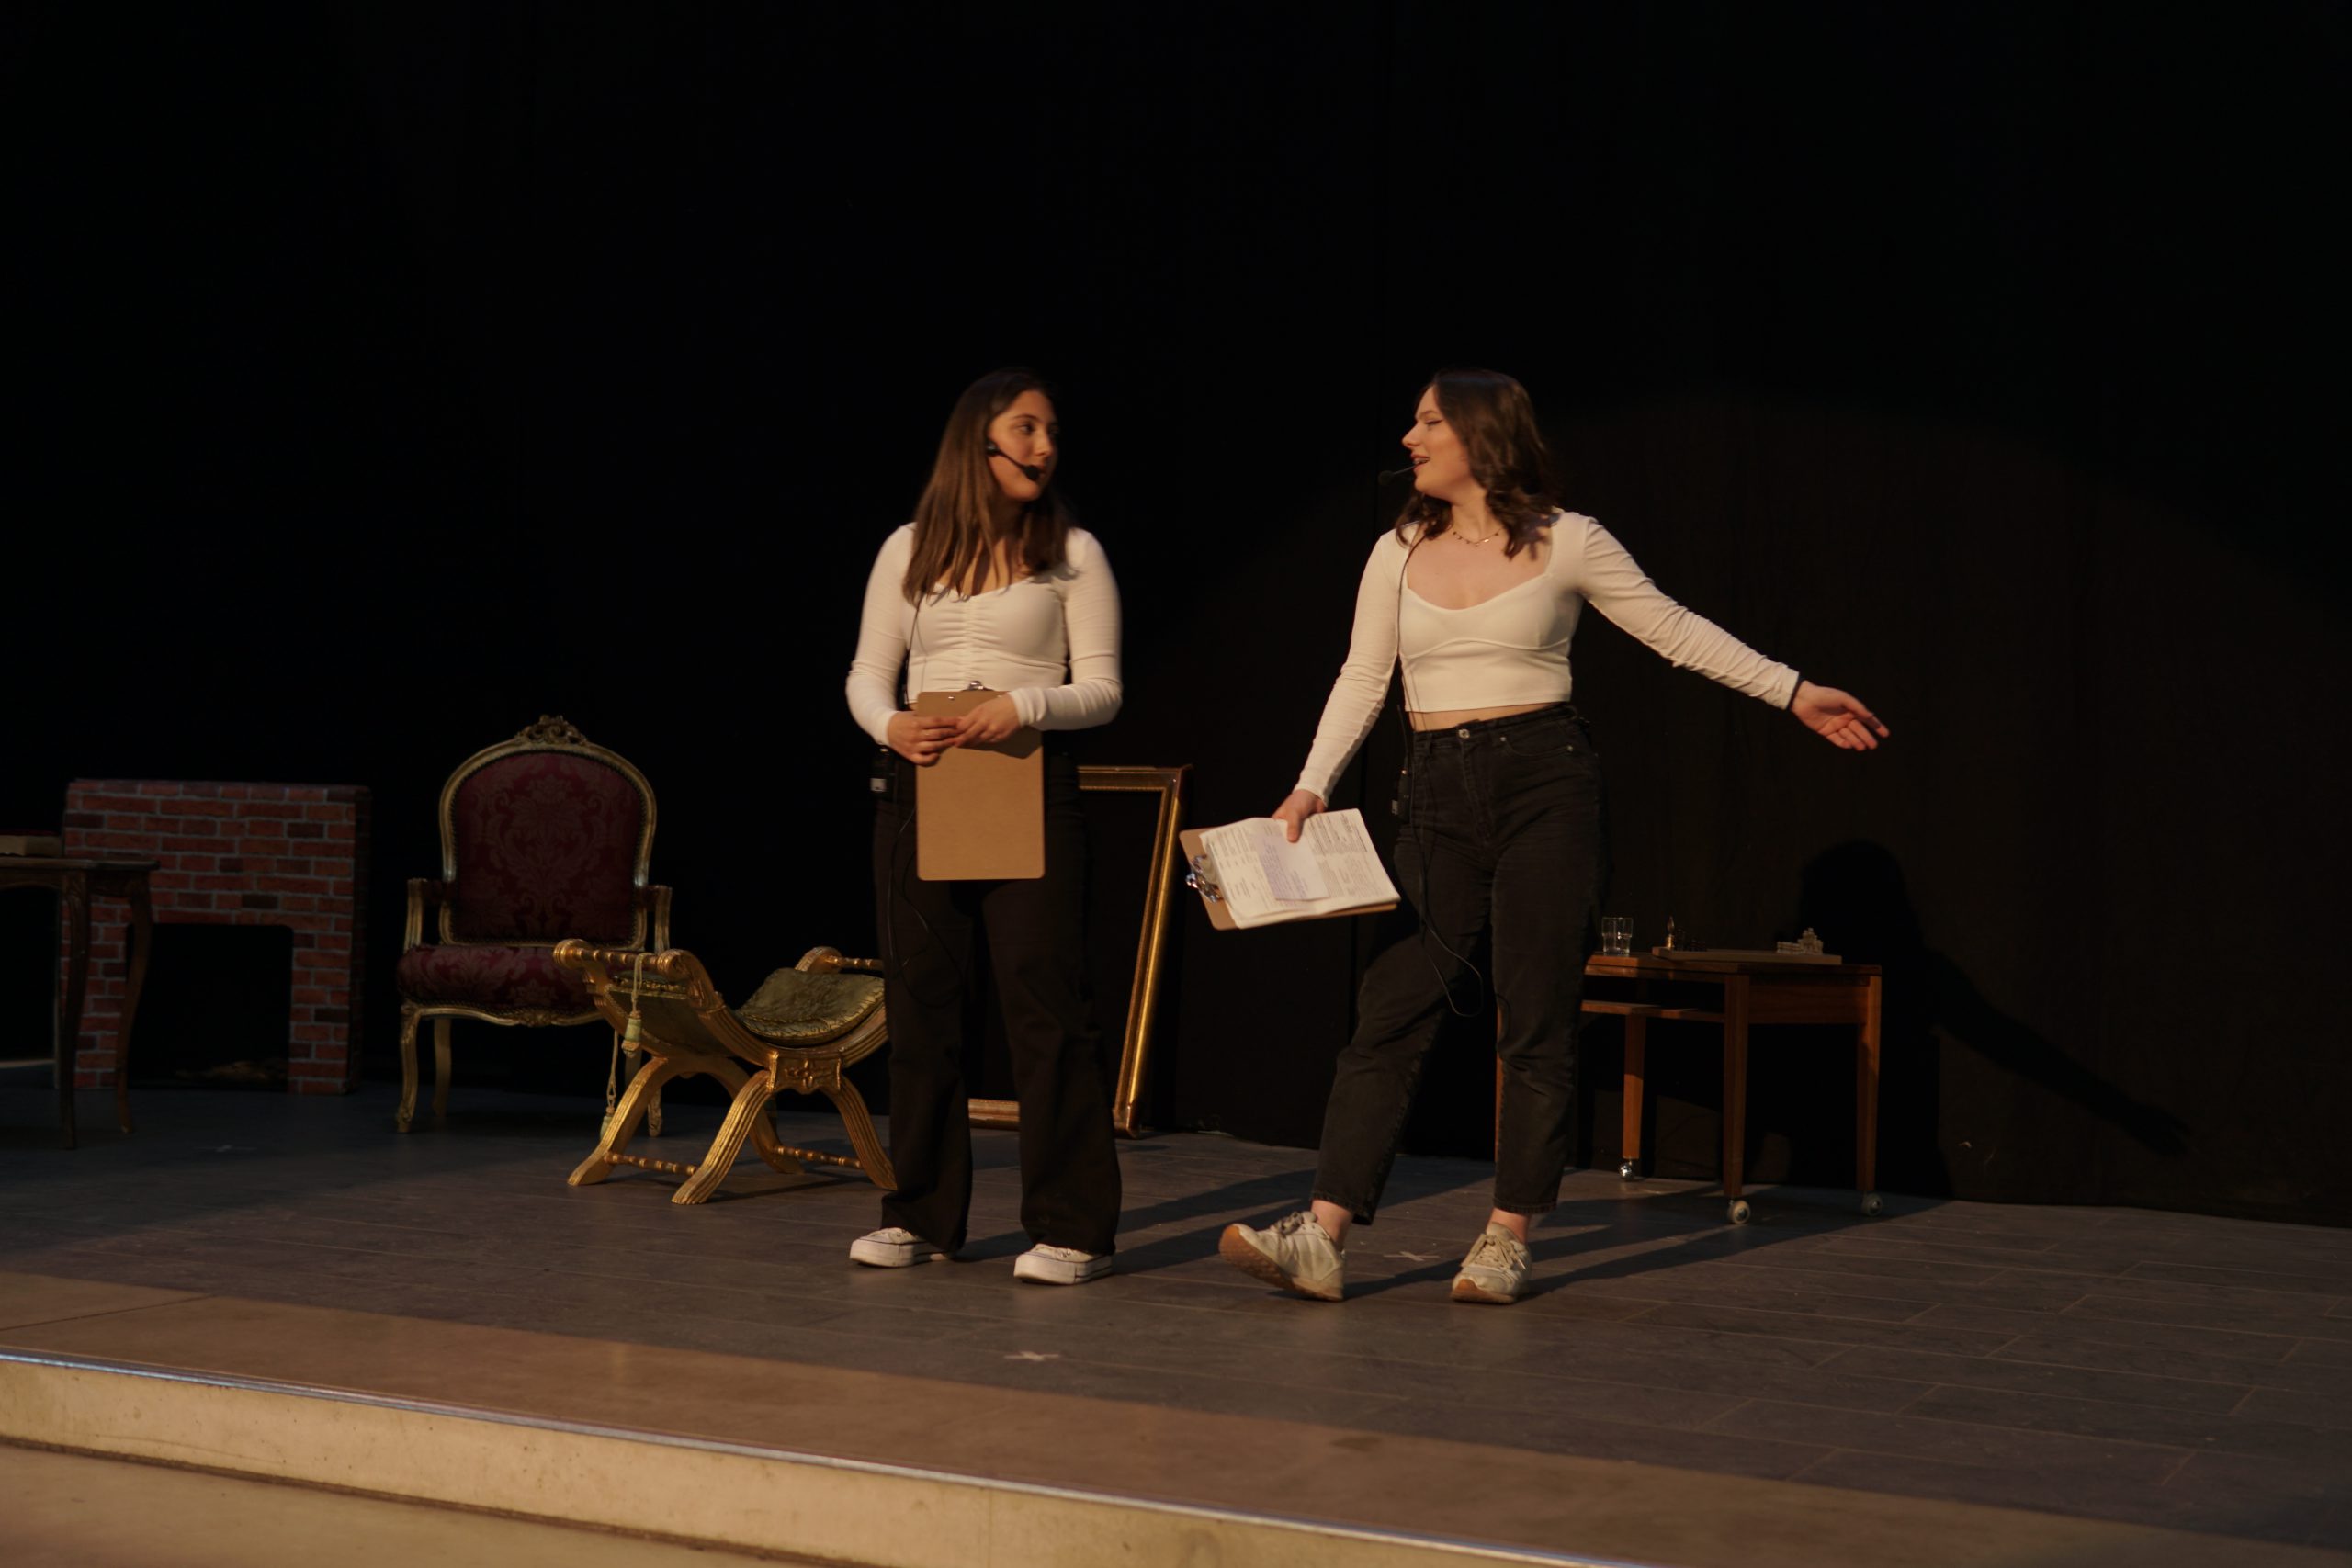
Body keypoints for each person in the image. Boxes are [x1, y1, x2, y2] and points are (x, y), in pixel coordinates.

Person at [1219, 368, 1887, 1305]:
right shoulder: (1395, 551)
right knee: (1392, 1008)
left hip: (1545, 783)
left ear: (1480, 433)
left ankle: (1507, 1235)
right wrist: (1309, 786)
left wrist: (1792, 690)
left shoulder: (1570, 539)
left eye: (1428, 422)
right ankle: (1320, 1238)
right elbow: (1363, 678)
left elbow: (1674, 631)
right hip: (1435, 792)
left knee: (1535, 1016)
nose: (1409, 439)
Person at [844, 367, 1124, 1286]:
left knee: (1045, 1005)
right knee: (921, 1005)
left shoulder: (1072, 551)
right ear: (981, 441)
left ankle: (1073, 1226)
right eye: (1028, 428)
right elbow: (867, 673)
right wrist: (890, 725)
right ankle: (920, 1214)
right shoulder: (909, 547)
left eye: (1051, 432)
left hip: (1026, 781)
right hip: (922, 784)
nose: (1045, 447)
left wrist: (1024, 704)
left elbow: (1103, 689)